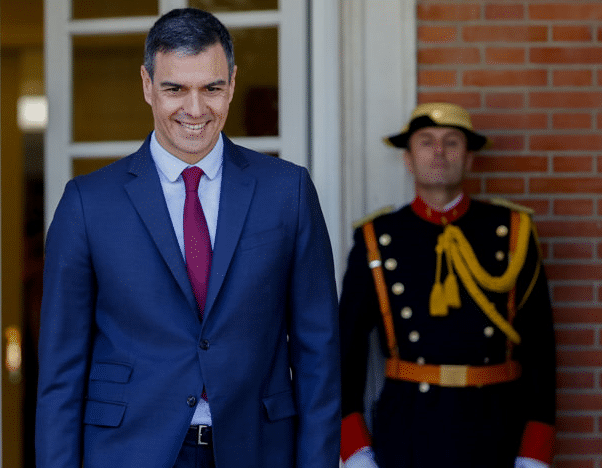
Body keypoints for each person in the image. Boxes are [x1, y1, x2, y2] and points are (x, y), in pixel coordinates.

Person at [36, 8, 340, 468]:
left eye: (211, 89)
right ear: (147, 85)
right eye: (175, 89)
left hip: (257, 449)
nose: (195, 110)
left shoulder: (287, 191)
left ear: (232, 84)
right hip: (129, 452)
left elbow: (319, 353)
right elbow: (61, 371)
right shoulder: (87, 203)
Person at [338, 103, 556, 468]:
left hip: (497, 428)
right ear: (408, 159)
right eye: (426, 141)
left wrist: (535, 451)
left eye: (451, 142)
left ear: (469, 159)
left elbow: (540, 344)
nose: (439, 151)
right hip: (407, 429)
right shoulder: (378, 237)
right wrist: (355, 448)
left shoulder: (512, 231)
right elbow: (347, 348)